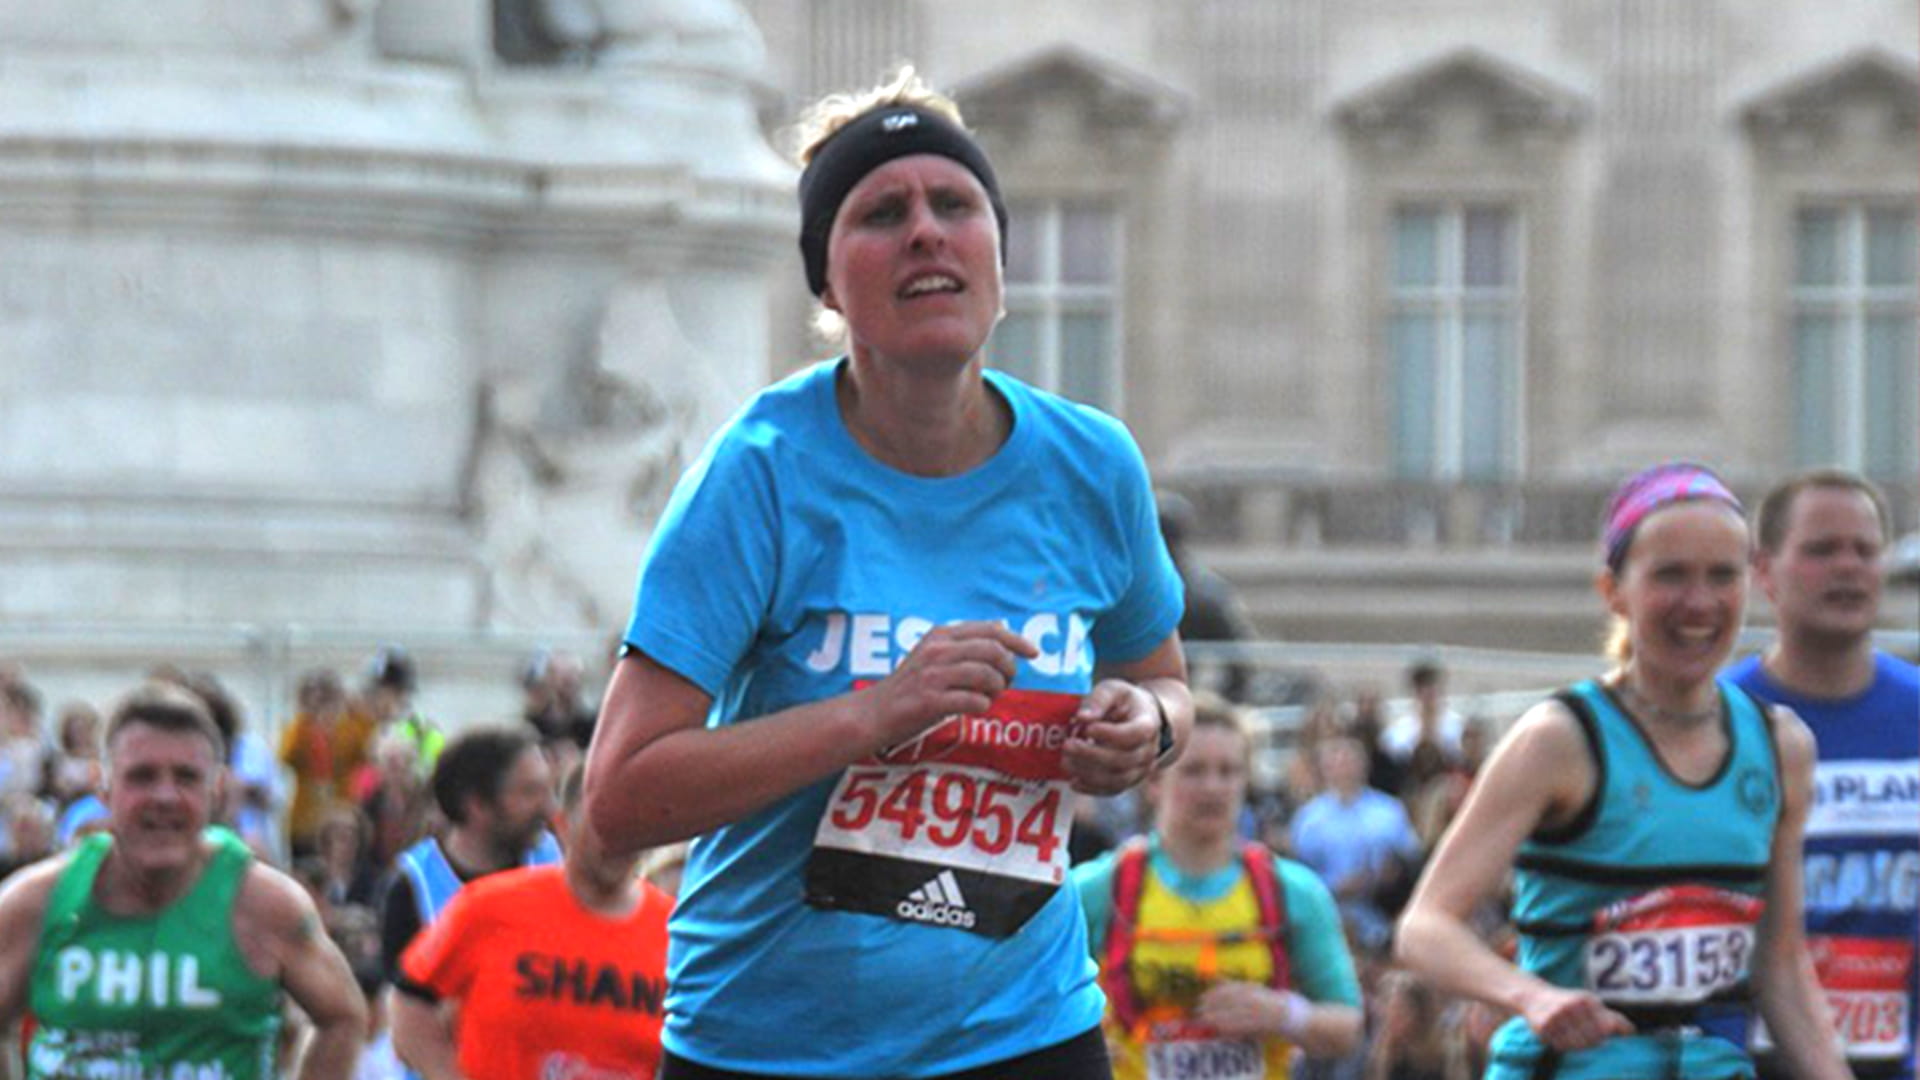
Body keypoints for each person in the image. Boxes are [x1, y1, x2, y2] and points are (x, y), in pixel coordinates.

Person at [586, 65, 1193, 1080]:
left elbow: (1163, 679)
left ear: (998, 254)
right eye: (881, 212)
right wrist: (875, 715)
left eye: (955, 204)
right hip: (772, 1043)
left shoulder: (1092, 466)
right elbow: (620, 799)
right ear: (827, 283)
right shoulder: (761, 474)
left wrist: (1149, 728)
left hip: (1025, 1032)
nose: (926, 231)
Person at [1395, 462, 1852, 1080]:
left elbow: (1782, 969)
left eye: (1723, 576)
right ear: (1614, 591)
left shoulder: (1781, 746)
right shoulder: (1560, 739)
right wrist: (1532, 996)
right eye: (1670, 575)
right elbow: (1424, 927)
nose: (1699, 603)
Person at [0, 682, 366, 1079]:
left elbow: (342, 1016)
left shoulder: (265, 905)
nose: (165, 796)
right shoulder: (37, 901)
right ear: (102, 786)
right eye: (142, 776)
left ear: (217, 789)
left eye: (186, 777)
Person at [1728, 468, 1919, 1080]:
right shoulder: (1716, 721)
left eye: (1865, 550)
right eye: (1821, 550)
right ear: (1764, 571)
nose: (1848, 567)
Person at [1075, 696, 1363, 1080]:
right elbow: (1035, 1005)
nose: (1213, 787)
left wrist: (1283, 1013)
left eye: (1229, 771)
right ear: (1155, 782)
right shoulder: (1101, 888)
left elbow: (1348, 1024)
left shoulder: (1293, 891)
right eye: (1194, 770)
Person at [391, 765, 671, 1080]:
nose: (617, 842)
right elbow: (408, 1000)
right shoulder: (489, 906)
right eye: (601, 825)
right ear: (563, 825)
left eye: (634, 827)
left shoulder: (674, 932)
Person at [377, 725, 560, 988]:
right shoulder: (414, 887)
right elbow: (405, 1008)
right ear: (476, 804)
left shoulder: (555, 863)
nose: (549, 807)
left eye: (549, 790)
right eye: (529, 792)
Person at [1288, 734, 1423, 953]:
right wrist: (1335, 887)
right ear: (1324, 769)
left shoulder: (1389, 810)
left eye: (1349, 760)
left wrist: (1388, 875)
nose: (1343, 768)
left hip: (1383, 919)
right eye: (1335, 761)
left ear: (1364, 765)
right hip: (1330, 921)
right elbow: (1299, 874)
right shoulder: (1308, 819)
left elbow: (1412, 859)